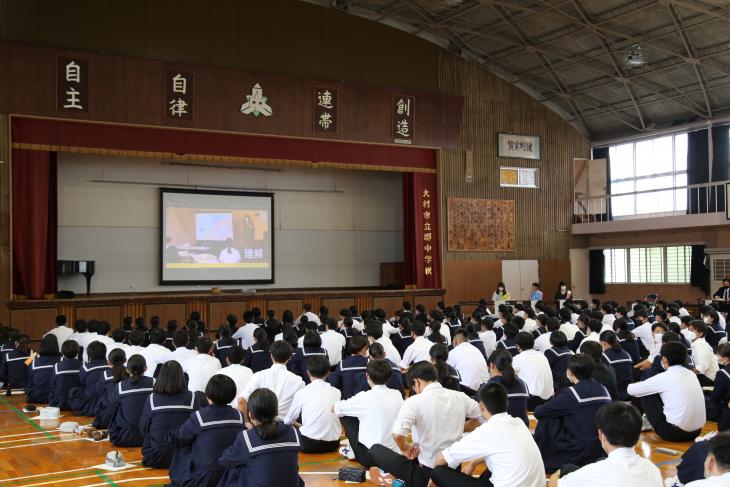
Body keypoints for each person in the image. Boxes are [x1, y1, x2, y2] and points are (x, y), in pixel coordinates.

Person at [368, 361, 483, 487]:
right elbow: (484, 418)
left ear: (416, 382)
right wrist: (459, 426)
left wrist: (406, 449)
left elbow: (397, 434)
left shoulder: (414, 401)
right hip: (452, 474)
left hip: (425, 475)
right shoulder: (460, 397)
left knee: (376, 450)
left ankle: (398, 480)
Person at [429, 382, 545, 487]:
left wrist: (433, 480)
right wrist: (473, 463)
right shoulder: (518, 423)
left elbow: (441, 459)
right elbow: (498, 448)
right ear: (506, 402)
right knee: (492, 468)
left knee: (438, 472)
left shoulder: (487, 430)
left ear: (481, 406)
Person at [551, 402, 662, 487]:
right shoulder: (652, 470)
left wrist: (557, 474)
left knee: (567, 469)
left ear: (601, 435)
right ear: (638, 435)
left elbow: (554, 484)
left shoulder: (592, 473)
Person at [533, 354, 612, 473]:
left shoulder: (572, 394)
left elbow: (539, 412)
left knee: (549, 419)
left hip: (581, 451)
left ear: (570, 373)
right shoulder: (603, 389)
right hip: (603, 446)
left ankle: (546, 457)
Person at [217, 388, 304, 487]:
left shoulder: (246, 437)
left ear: (250, 414)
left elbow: (224, 460)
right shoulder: (293, 432)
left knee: (234, 469)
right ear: (276, 411)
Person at [168, 375, 243, 487]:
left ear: (208, 394)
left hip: (204, 478)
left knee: (182, 444)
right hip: (231, 475)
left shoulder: (200, 417)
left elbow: (179, 437)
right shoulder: (239, 415)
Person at [627, 341, 706, 442]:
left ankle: (640, 422)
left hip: (674, 433)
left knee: (646, 393)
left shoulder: (664, 377)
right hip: (696, 432)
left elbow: (631, 390)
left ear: (664, 358)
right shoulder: (691, 374)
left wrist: (641, 383)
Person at [334, 359, 404, 467]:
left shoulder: (364, 397)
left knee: (345, 414)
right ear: (390, 377)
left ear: (367, 376)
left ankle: (352, 450)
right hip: (394, 454)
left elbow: (336, 408)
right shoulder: (397, 394)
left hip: (370, 457)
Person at [140, 361, 204, 468]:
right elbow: (197, 428)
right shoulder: (192, 397)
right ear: (181, 377)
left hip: (157, 457)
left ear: (161, 376)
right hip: (186, 457)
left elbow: (143, 428)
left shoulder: (151, 398)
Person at [283, 355, 341, 453]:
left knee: (285, 427)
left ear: (308, 372)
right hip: (333, 444)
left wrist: (297, 424)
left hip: (308, 445)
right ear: (328, 373)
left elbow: (287, 421)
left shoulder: (302, 392)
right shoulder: (337, 392)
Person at [239, 341, 305, 420]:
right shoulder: (298, 382)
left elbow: (241, 401)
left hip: (261, 427)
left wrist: (246, 422)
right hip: (285, 427)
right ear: (290, 357)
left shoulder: (258, 376)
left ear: (271, 355)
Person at [107, 354, 154, 446]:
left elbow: (112, 403)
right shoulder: (154, 382)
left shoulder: (120, 386)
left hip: (125, 436)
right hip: (148, 435)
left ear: (127, 370)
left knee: (116, 405)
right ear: (145, 368)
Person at [512, 331, 554, 410]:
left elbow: (504, 373)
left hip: (533, 401)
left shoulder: (518, 358)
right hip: (549, 398)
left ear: (518, 346)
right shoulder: (542, 355)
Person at [487, 349, 529, 426]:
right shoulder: (523, 383)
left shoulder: (488, 386)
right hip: (522, 430)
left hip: (501, 433)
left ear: (492, 366)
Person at [68, 340, 110, 416]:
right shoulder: (110, 366)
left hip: (90, 404)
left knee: (73, 391)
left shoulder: (85, 367)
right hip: (107, 402)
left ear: (89, 354)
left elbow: (81, 384)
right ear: (105, 352)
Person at [92, 349, 128, 429]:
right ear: (125, 360)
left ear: (109, 362)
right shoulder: (129, 372)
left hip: (108, 416)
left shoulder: (105, 374)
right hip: (126, 415)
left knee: (103, 394)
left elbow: (98, 391)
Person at [447, 330, 489, 395]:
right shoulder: (475, 349)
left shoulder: (453, 352)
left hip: (468, 390)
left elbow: (446, 369)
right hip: (485, 387)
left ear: (455, 342)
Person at [327, 335, 369, 400]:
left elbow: (336, 382)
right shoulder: (369, 363)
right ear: (362, 349)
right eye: (366, 348)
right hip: (365, 399)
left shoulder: (341, 364)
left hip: (346, 400)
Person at [25, 335, 61, 404]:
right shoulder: (62, 359)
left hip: (37, 397)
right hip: (56, 397)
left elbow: (26, 366)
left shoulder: (34, 355)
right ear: (56, 345)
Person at [48, 340, 83, 409]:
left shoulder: (57, 366)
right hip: (78, 402)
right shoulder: (83, 365)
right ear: (78, 352)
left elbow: (53, 385)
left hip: (60, 403)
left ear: (62, 352)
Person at [599, 330, 633, 400]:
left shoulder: (604, 356)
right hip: (629, 392)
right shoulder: (626, 354)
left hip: (614, 395)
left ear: (604, 343)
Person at [688, 320, 720, 386]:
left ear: (700, 334)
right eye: (688, 330)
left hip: (708, 379)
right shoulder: (697, 343)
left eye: (692, 331)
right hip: (706, 376)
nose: (689, 333)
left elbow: (703, 365)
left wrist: (690, 375)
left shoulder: (700, 344)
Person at [708, 343, 730, 423]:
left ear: (726, 358)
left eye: (718, 355)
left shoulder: (722, 373)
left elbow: (715, 397)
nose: (717, 357)